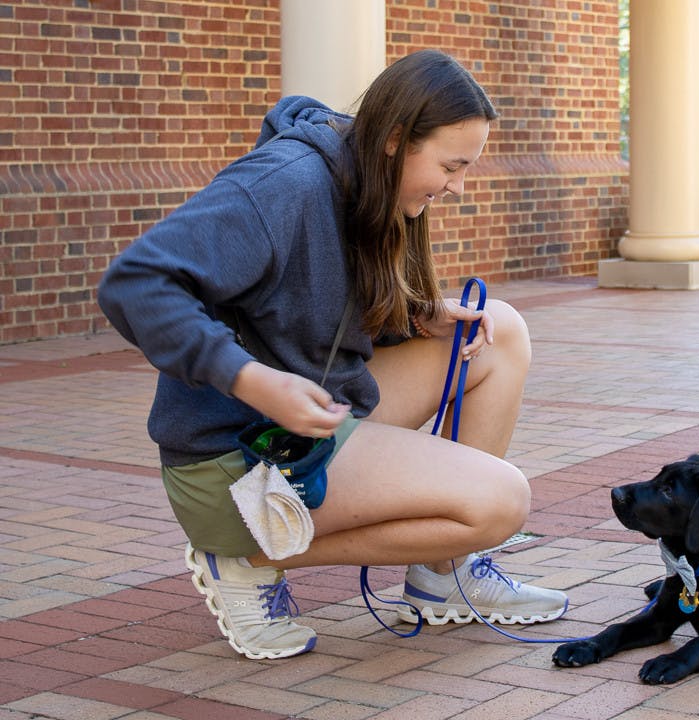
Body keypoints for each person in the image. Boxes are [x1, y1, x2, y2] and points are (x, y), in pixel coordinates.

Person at [97, 49, 568, 660]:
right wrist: (253, 381)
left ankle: (442, 574)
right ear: (397, 139)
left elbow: (312, 307)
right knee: (501, 502)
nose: (457, 186)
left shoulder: (366, 181)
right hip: (234, 461)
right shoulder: (283, 185)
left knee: (498, 331)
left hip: (308, 423)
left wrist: (416, 315)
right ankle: (244, 554)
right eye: (452, 165)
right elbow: (134, 282)